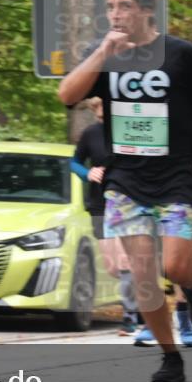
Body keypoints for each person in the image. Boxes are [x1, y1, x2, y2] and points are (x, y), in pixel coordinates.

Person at [58, 0, 192, 382]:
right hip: (127, 179)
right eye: (111, 8)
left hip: (178, 177)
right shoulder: (104, 54)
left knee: (174, 265)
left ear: (147, 10)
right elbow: (67, 95)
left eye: (125, 7)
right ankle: (170, 356)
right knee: (143, 277)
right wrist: (102, 51)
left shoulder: (181, 54)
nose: (116, 15)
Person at [71, 97, 141, 336]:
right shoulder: (90, 134)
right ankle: (140, 300)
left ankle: (130, 317)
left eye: (105, 109)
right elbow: (74, 162)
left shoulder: (129, 130)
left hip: (125, 201)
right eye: (97, 110)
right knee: (113, 266)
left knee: (124, 262)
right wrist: (87, 172)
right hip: (99, 205)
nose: (101, 115)